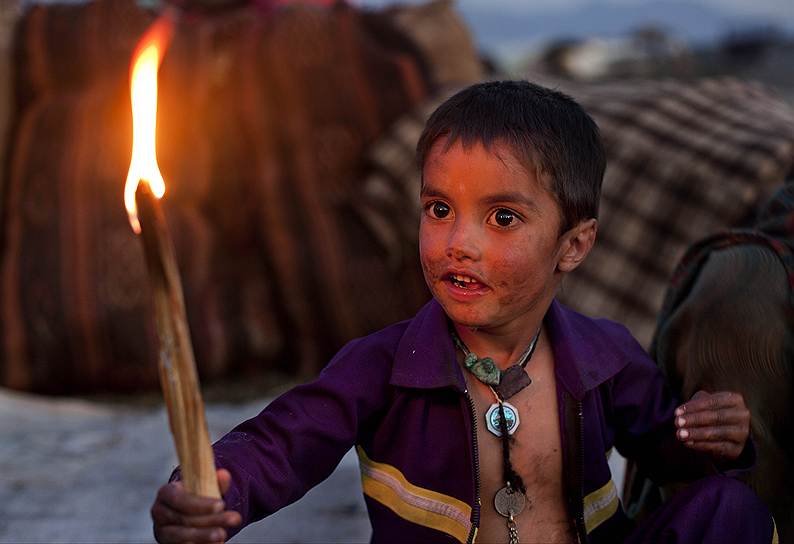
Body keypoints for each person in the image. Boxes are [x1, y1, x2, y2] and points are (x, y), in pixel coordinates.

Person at [151, 80, 775, 544]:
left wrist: (712, 435)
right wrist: (211, 486)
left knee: (730, 509)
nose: (459, 244)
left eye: (503, 218)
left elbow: (670, 450)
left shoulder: (605, 359)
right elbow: (282, 441)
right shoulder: (384, 365)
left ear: (574, 245)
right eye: (439, 209)